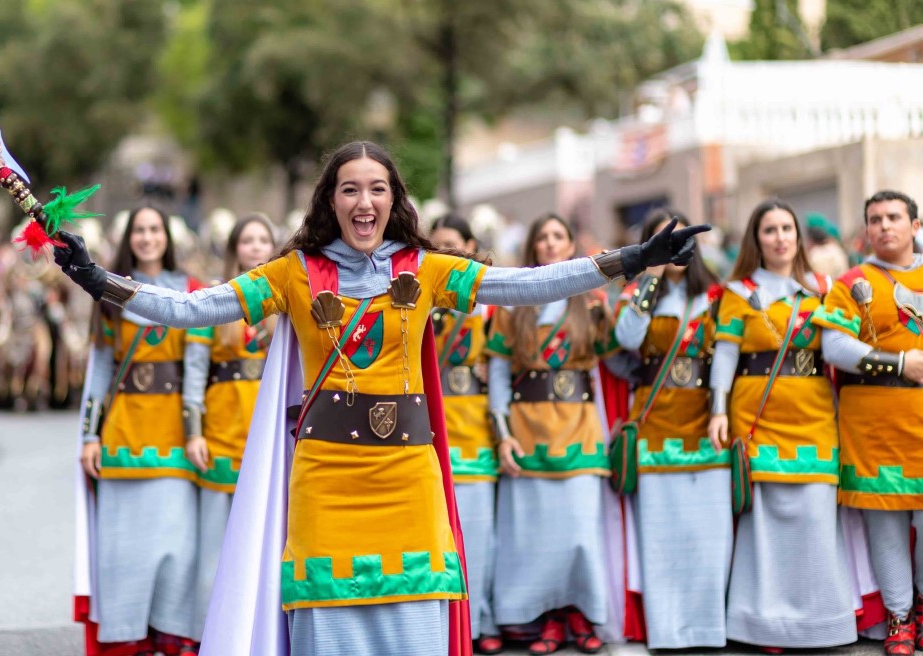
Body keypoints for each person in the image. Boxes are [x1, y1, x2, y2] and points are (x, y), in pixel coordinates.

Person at [54, 140, 705, 656]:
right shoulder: (293, 274)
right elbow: (194, 308)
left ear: (393, 200)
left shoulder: (425, 268)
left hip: (408, 479)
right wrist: (99, 280)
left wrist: (631, 259)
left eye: (377, 188)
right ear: (330, 201)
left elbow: (524, 284)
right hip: (325, 481)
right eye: (350, 189)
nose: (364, 201)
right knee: (329, 624)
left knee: (413, 622)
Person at [707, 199, 855, 651]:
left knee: (815, 521)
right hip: (756, 417)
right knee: (764, 529)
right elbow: (725, 355)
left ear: (798, 235)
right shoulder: (737, 292)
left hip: (814, 415)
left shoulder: (824, 288)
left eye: (787, 228)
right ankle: (764, 626)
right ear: (756, 239)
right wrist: (718, 410)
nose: (780, 237)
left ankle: (820, 623)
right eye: (769, 230)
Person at [485, 213, 619, 655]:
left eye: (558, 236)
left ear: (570, 245)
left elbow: (619, 356)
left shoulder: (592, 301)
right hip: (527, 430)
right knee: (536, 538)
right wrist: (503, 433)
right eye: (541, 237)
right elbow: (499, 375)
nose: (549, 243)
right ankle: (546, 618)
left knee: (579, 534)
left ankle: (579, 612)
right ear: (533, 247)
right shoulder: (513, 303)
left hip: (579, 430)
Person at [74, 205, 204, 656]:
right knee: (124, 552)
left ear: (167, 236)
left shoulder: (192, 290)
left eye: (155, 230)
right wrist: (90, 436)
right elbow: (100, 369)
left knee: (177, 549)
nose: (148, 238)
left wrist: (196, 431)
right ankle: (129, 640)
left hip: (174, 438)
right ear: (129, 238)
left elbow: (197, 370)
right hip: (122, 435)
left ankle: (172, 635)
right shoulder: (108, 290)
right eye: (140, 231)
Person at [613, 208, 730, 649]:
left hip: (705, 422)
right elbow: (626, 338)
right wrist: (652, 273)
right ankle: (666, 631)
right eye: (661, 240)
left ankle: (708, 630)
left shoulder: (717, 295)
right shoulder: (637, 292)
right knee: (662, 535)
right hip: (655, 422)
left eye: (679, 239)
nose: (672, 246)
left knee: (707, 535)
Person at [820, 190, 923, 655]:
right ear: (866, 229)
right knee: (886, 523)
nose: (884, 226)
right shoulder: (851, 282)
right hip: (874, 423)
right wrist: (900, 363)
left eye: (893, 217)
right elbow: (835, 348)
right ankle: (900, 617)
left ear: (915, 226)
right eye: (875, 219)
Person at [185, 214, 278, 638]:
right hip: (222, 428)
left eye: (263, 240)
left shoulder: (286, 302)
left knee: (265, 545)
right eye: (247, 239)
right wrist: (194, 432)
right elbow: (194, 373)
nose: (256, 247)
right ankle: (208, 635)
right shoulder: (215, 299)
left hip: (268, 432)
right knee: (214, 548)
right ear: (235, 249)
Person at [429, 214, 502, 655]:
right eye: (436, 244)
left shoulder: (489, 304)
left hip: (474, 430)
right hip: (430, 430)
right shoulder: (418, 298)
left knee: (478, 535)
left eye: (452, 243)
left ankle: (480, 619)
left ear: (471, 245)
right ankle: (441, 623)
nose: (443, 251)